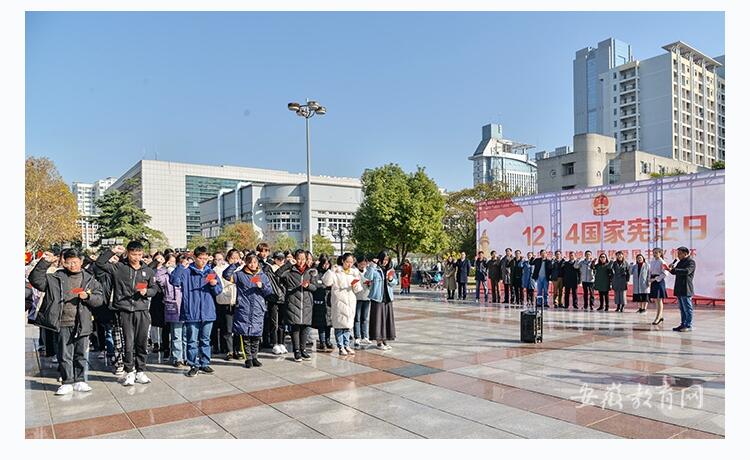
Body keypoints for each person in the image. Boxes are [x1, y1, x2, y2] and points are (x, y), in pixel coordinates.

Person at [30, 250, 104, 395]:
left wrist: (88, 297)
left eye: (75, 262)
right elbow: (36, 280)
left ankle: (80, 380)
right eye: (69, 262)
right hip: (63, 322)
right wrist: (44, 262)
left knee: (81, 353)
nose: (72, 265)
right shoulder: (55, 278)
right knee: (64, 354)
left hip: (82, 321)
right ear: (64, 262)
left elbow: (99, 299)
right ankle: (67, 381)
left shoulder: (89, 279)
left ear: (81, 262)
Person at [95, 241, 158, 386]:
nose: (136, 257)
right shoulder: (119, 267)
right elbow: (99, 263)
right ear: (128, 253)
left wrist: (147, 292)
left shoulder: (148, 270)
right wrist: (112, 251)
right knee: (128, 343)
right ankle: (129, 372)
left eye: (139, 254)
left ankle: (140, 371)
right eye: (134, 254)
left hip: (142, 310)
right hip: (124, 310)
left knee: (142, 342)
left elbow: (154, 288)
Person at [169, 246, 223, 377]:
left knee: (205, 340)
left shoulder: (210, 272)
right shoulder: (187, 272)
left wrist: (214, 285)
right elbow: (174, 281)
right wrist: (181, 266)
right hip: (191, 311)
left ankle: (205, 363)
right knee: (192, 341)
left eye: (205, 258)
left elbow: (218, 291)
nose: (203, 261)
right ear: (194, 258)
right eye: (200, 258)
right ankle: (193, 364)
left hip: (207, 311)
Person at [224, 253, 273, 367]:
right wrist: (235, 265)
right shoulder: (240, 275)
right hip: (244, 308)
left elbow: (269, 291)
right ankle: (248, 358)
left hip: (258, 309)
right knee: (245, 335)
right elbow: (226, 275)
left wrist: (262, 286)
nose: (252, 264)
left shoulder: (263, 275)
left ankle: (255, 357)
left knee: (256, 335)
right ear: (246, 262)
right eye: (250, 262)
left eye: (255, 262)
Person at [280, 249, 318, 362]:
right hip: (293, 302)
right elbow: (278, 275)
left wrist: (308, 286)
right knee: (295, 327)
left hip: (306, 303)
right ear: (295, 259)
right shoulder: (289, 271)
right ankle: (296, 351)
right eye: (298, 259)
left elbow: (315, 287)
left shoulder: (310, 272)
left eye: (303, 259)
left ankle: (303, 350)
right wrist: (287, 264)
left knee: (305, 327)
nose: (301, 261)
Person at [323, 252, 363, 355]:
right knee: (339, 325)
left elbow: (358, 289)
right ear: (343, 261)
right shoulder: (337, 272)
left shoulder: (353, 273)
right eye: (347, 262)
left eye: (351, 262)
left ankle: (347, 345)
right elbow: (327, 282)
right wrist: (331, 271)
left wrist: (355, 284)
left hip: (350, 301)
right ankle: (340, 346)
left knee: (348, 325)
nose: (349, 264)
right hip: (339, 302)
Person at [155, 253, 185, 367]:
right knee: (176, 334)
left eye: (174, 261)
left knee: (186, 335)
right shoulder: (166, 275)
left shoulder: (185, 273)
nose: (172, 264)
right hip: (173, 306)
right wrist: (163, 267)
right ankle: (178, 358)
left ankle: (186, 357)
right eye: (170, 261)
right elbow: (158, 278)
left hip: (185, 305)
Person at [364, 250, 398, 350]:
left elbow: (395, 282)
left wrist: (391, 279)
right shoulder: (375, 269)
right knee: (378, 321)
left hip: (388, 298)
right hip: (377, 298)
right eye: (383, 259)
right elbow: (368, 277)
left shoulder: (390, 269)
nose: (385, 262)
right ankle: (379, 342)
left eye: (387, 260)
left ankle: (385, 340)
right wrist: (372, 265)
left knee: (387, 320)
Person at [214, 249, 242, 360]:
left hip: (239, 301)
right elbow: (224, 278)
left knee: (238, 328)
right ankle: (229, 350)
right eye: (232, 258)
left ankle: (237, 349)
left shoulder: (242, 268)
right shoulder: (220, 269)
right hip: (226, 300)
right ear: (228, 258)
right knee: (228, 328)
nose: (235, 260)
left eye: (237, 258)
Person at [262, 250, 288, 355]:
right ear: (274, 259)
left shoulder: (286, 268)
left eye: (282, 259)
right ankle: (275, 343)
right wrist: (269, 263)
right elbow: (273, 274)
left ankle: (281, 343)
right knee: (274, 323)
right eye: (278, 259)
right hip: (273, 298)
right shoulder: (269, 268)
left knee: (282, 323)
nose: (281, 261)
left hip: (284, 298)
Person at [669, 247, 696, 332]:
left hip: (686, 288)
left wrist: (675, 269)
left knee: (687, 308)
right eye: (678, 254)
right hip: (679, 288)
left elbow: (687, 271)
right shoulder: (680, 262)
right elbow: (674, 272)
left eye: (680, 254)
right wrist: (670, 269)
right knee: (682, 309)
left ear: (685, 253)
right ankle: (683, 324)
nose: (678, 256)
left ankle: (688, 325)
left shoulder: (691, 262)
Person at [312, 254, 334, 352]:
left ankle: (328, 340)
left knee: (328, 322)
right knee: (321, 323)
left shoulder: (331, 272)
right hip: (319, 300)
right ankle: (322, 341)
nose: (326, 266)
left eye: (328, 264)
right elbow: (315, 284)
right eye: (324, 263)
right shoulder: (316, 272)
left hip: (329, 300)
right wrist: (324, 286)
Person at [353, 256, 371, 348]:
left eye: (364, 263)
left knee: (365, 318)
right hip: (357, 297)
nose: (363, 265)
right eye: (361, 263)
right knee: (357, 318)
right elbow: (353, 283)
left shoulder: (368, 272)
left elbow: (372, 283)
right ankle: (357, 337)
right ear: (357, 263)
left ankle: (365, 336)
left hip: (367, 297)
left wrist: (370, 284)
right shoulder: (355, 272)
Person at [648, 247, 669, 325]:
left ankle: (658, 317)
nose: (654, 254)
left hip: (659, 282)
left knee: (659, 300)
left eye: (656, 252)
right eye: (653, 252)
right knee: (656, 300)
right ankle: (660, 316)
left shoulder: (662, 262)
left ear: (660, 253)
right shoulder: (652, 261)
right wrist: (649, 279)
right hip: (653, 281)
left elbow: (665, 273)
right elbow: (650, 271)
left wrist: (656, 279)